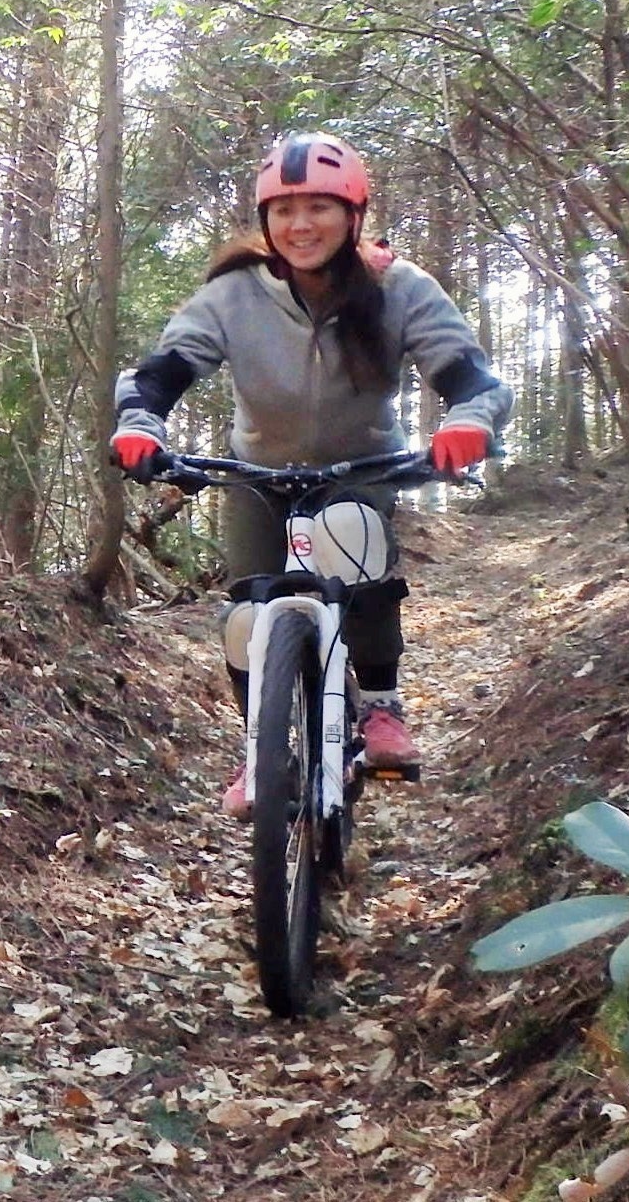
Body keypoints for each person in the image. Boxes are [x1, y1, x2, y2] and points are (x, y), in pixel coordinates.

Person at [109, 130, 513, 818]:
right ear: (264, 221)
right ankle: (260, 748)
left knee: (353, 536)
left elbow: (470, 376)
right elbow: (159, 373)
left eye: (319, 207)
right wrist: (139, 428)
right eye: (283, 210)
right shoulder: (234, 294)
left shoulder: (399, 288)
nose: (300, 225)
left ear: (353, 214)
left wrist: (467, 422)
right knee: (244, 619)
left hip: (360, 467)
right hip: (255, 473)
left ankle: (380, 706)